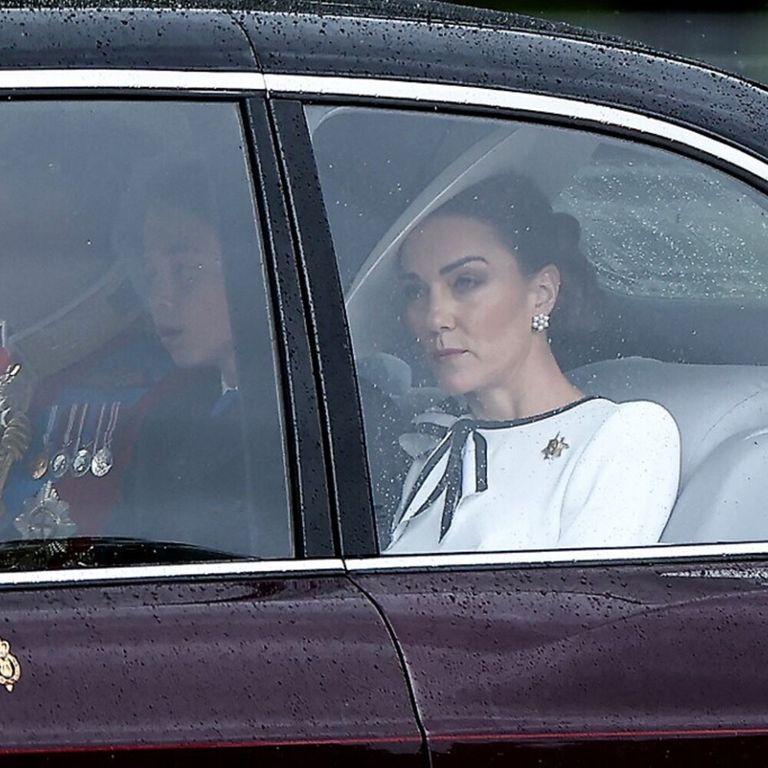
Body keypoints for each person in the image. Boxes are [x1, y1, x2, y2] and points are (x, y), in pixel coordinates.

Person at [385, 174, 681, 554]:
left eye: (466, 281)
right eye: (415, 291)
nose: (435, 317)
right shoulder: (439, 442)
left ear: (541, 294)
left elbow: (588, 608)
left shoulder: (622, 435)